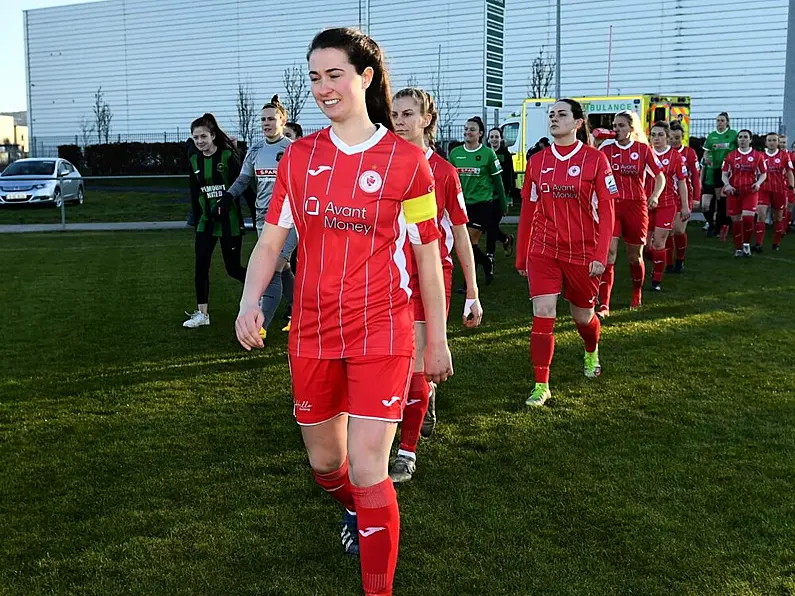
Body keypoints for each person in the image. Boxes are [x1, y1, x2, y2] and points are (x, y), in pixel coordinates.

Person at [234, 27, 453, 596]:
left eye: (334, 75)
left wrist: (437, 339)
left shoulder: (410, 164)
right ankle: (357, 510)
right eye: (314, 77)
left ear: (365, 77)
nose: (323, 88)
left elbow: (429, 260)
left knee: (368, 469)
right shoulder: (299, 158)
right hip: (310, 333)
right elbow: (269, 240)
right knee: (326, 466)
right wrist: (249, 299)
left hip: (382, 331)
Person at [388, 87, 482, 483]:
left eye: (408, 114)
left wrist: (472, 292)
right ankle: (422, 404)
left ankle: (406, 453)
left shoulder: (443, 171)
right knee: (394, 364)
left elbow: (460, 234)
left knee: (416, 367)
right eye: (395, 113)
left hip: (431, 277)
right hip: (388, 277)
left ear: (426, 119)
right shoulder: (385, 162)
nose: (400, 121)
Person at [515, 99, 617, 406]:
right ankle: (540, 384)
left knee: (583, 316)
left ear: (577, 123)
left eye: (562, 114)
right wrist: (522, 254)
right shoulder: (537, 162)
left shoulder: (595, 160)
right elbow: (528, 209)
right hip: (544, 249)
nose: (554, 118)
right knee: (543, 313)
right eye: (551, 115)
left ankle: (590, 351)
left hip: (583, 252)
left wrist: (600, 254)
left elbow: (608, 211)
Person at [223, 95, 294, 339]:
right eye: (262, 119)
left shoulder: (293, 149)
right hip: (264, 218)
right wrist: (228, 196)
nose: (266, 123)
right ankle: (302, 312)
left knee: (273, 267)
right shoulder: (254, 149)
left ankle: (261, 326)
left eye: (271, 118)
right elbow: (244, 179)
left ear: (282, 120)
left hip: (290, 219)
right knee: (283, 268)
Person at [596, 110, 665, 315]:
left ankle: (637, 292)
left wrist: (654, 195)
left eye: (621, 126)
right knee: (609, 253)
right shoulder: (606, 149)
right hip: (612, 206)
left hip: (636, 206)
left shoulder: (643, 150)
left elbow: (660, 176)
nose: (616, 129)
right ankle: (604, 304)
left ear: (631, 128)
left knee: (635, 257)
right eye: (615, 126)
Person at [183, 113, 247, 328]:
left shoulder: (228, 156)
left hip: (229, 221)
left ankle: (262, 294)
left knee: (233, 269)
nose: (199, 141)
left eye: (203, 136)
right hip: (205, 221)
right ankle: (202, 314)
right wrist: (195, 217)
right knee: (201, 265)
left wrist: (257, 216)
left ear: (212, 136)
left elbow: (244, 186)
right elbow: (194, 191)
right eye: (195, 137)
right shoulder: (194, 159)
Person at [449, 117, 508, 285]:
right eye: (466, 128)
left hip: (483, 204)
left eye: (472, 129)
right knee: (468, 243)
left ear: (480, 133)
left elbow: (498, 182)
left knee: (467, 241)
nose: (468, 131)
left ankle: (469, 283)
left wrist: (503, 205)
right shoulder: (455, 154)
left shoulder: (488, 154)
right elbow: (449, 181)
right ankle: (485, 262)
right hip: (462, 204)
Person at [647, 121, 689, 291]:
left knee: (659, 242)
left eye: (660, 135)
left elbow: (682, 182)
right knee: (643, 245)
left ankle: (656, 280)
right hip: (646, 204)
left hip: (667, 204)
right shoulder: (645, 153)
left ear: (667, 137)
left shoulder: (676, 157)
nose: (656, 138)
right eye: (653, 135)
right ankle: (661, 261)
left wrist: (685, 206)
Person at [721, 129, 767, 257]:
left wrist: (758, 183)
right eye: (740, 137)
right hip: (734, 192)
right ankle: (738, 248)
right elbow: (724, 174)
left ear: (750, 140)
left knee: (748, 218)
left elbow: (763, 173)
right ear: (737, 139)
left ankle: (746, 244)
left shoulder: (758, 156)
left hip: (750, 192)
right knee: (736, 222)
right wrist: (727, 185)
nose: (742, 139)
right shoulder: (730, 156)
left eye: (745, 137)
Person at [667, 120, 701, 272]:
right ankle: (667, 263)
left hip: (684, 195)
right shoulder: (661, 153)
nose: (674, 140)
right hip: (667, 196)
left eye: (678, 137)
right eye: (672, 137)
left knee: (679, 230)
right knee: (667, 231)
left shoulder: (689, 153)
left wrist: (696, 198)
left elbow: (695, 177)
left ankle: (680, 260)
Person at [755, 133, 794, 252]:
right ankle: (758, 244)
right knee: (761, 215)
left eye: (774, 140)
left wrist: (791, 186)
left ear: (777, 143)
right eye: (769, 140)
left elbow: (789, 172)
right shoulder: (760, 156)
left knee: (777, 218)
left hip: (779, 190)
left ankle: (776, 243)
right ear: (766, 143)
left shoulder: (784, 156)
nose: (771, 142)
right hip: (763, 189)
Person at [701, 112, 737, 238]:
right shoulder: (712, 136)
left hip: (726, 172)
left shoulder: (733, 135)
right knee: (705, 204)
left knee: (720, 201)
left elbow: (738, 151)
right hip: (713, 171)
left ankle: (720, 226)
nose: (719, 123)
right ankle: (711, 224)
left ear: (727, 122)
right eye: (718, 120)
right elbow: (705, 153)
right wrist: (706, 159)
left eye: (722, 120)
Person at [487, 126, 516, 258]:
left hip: (500, 197)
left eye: (496, 137)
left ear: (501, 138)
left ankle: (490, 256)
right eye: (492, 137)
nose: (494, 139)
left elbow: (510, 176)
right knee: (488, 226)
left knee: (492, 225)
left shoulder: (506, 155)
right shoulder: (485, 153)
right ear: (488, 139)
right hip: (486, 196)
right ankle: (506, 239)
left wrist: (508, 197)